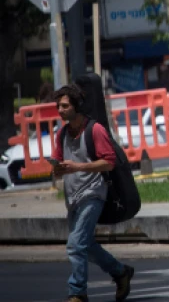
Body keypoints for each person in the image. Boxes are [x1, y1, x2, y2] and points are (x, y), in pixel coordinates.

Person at [51, 84, 134, 302]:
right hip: (72, 197)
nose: (60, 110)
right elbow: (58, 164)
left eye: (65, 106)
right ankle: (120, 271)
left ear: (76, 106)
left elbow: (109, 162)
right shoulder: (61, 134)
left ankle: (77, 292)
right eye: (58, 106)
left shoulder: (95, 130)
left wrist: (78, 167)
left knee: (75, 245)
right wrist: (57, 170)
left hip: (93, 193)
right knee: (85, 246)